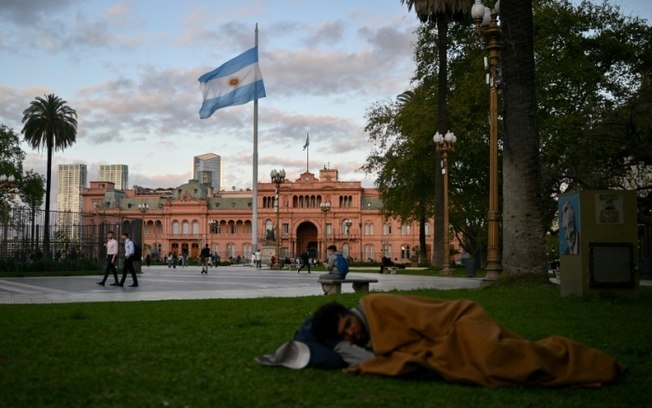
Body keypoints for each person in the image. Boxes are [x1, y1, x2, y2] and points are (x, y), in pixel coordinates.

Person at [309, 294, 625, 388]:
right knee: (488, 365)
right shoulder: (363, 337)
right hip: (446, 341)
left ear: (350, 314)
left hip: (460, 320)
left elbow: (427, 319)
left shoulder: (376, 306)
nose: (350, 333)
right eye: (343, 335)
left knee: (494, 356)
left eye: (347, 325)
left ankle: (577, 360)